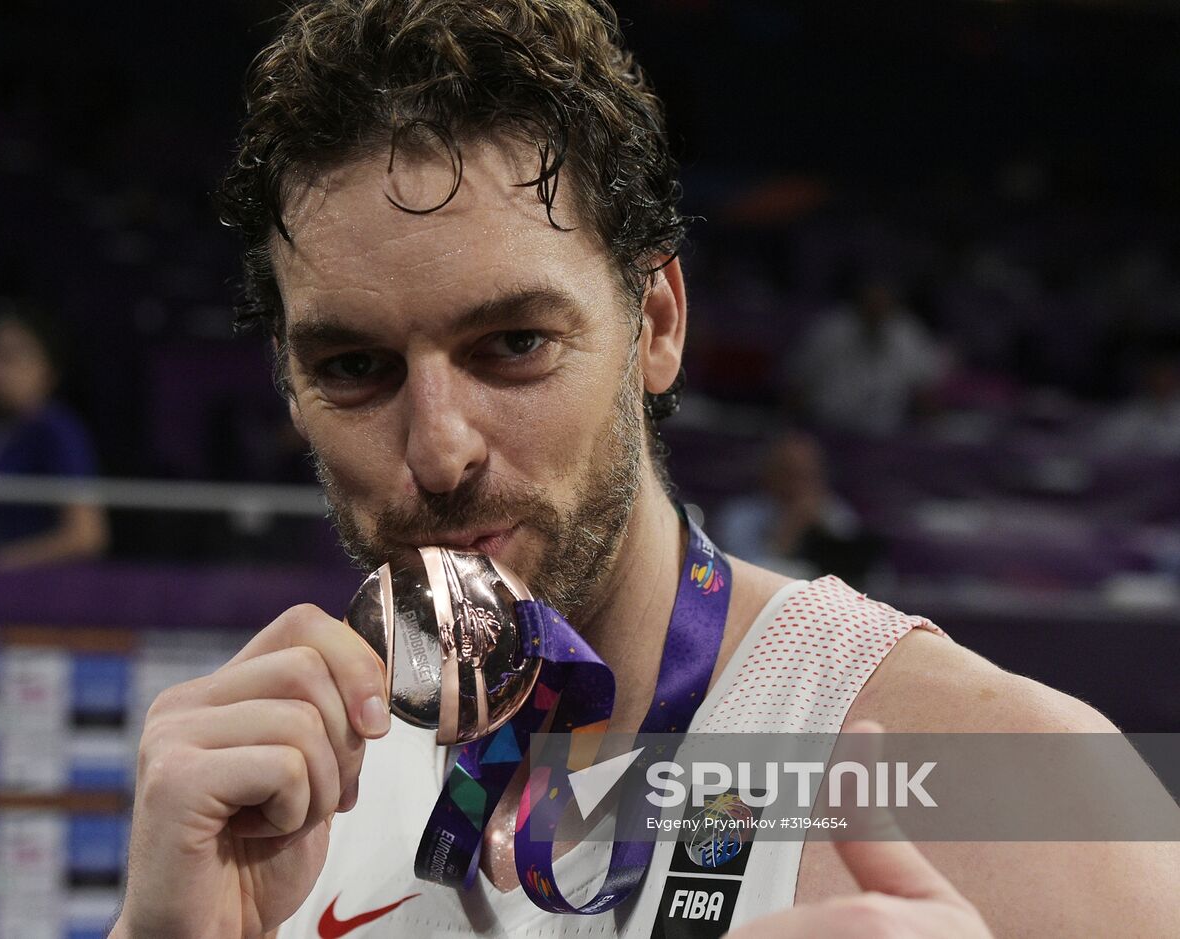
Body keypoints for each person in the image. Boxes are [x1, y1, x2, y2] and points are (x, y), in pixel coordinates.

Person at [110, 3, 1178, 937]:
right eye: (353, 367)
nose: (438, 450)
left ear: (655, 324)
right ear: (292, 391)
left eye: (513, 345)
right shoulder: (287, 798)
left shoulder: (1007, 781)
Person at [0, 300, 109, 568]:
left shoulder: (57, 430)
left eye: (10, 357)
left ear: (47, 370)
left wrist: (0, 563)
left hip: (38, 593)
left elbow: (87, 535)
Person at [783, 273, 945, 436]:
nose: (876, 309)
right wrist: (789, 427)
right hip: (828, 429)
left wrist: (936, 428)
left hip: (884, 434)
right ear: (859, 302)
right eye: (871, 303)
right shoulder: (829, 330)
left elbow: (924, 392)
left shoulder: (907, 334)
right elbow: (798, 383)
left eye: (883, 304)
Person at [715, 431, 877, 586]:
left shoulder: (834, 513)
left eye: (808, 474)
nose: (798, 483)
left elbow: (860, 576)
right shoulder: (741, 515)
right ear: (769, 473)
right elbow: (741, 579)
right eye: (790, 473)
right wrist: (789, 530)